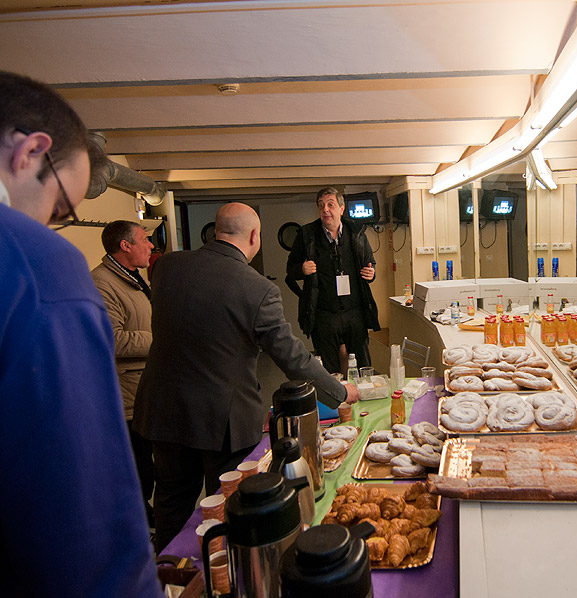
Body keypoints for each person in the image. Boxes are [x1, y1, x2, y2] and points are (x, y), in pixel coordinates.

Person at [0, 71, 161, 596]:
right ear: (30, 151)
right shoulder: (38, 264)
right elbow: (82, 490)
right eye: (59, 209)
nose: (49, 225)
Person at [134, 202, 360, 552]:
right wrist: (340, 392)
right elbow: (292, 357)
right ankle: (224, 571)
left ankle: (170, 572)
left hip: (164, 411)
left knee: (171, 507)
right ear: (255, 236)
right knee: (230, 506)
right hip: (223, 420)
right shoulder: (256, 288)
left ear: (216, 231)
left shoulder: (166, 267)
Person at [91, 220, 157, 526]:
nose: (151, 245)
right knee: (136, 466)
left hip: (144, 387)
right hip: (127, 394)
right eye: (144, 240)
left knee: (147, 464)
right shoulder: (102, 284)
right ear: (125, 246)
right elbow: (113, 339)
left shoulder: (131, 278)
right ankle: (137, 525)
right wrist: (161, 338)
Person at [286, 186, 380, 375]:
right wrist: (302, 269)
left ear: (341, 209)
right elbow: (290, 270)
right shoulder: (307, 235)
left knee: (362, 365)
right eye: (321, 205)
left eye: (330, 205)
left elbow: (370, 264)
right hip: (324, 314)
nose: (325, 210)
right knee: (329, 371)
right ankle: (334, 395)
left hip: (355, 312)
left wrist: (372, 273)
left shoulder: (357, 233)